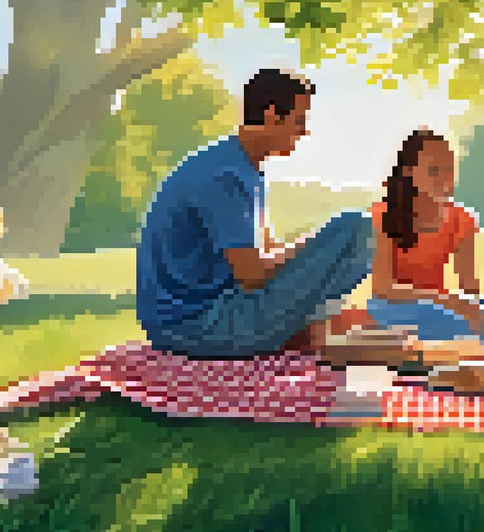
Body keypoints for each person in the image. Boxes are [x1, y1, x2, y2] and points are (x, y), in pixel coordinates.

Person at [135, 68, 374, 359]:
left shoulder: (242, 168)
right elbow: (252, 274)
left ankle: (309, 332)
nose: (304, 131)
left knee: (350, 235)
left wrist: (317, 254)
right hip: (194, 326)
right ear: (273, 115)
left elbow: (265, 252)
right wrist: (321, 245)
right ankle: (310, 333)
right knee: (358, 228)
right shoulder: (225, 177)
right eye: (299, 120)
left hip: (200, 318)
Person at [364, 129, 484, 348]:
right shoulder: (382, 216)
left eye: (449, 170)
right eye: (433, 170)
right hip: (394, 307)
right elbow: (383, 288)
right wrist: (452, 303)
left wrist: (474, 309)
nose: (444, 179)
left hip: (439, 306)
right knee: (464, 327)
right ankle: (465, 357)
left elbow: (469, 286)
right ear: (409, 172)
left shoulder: (462, 219)